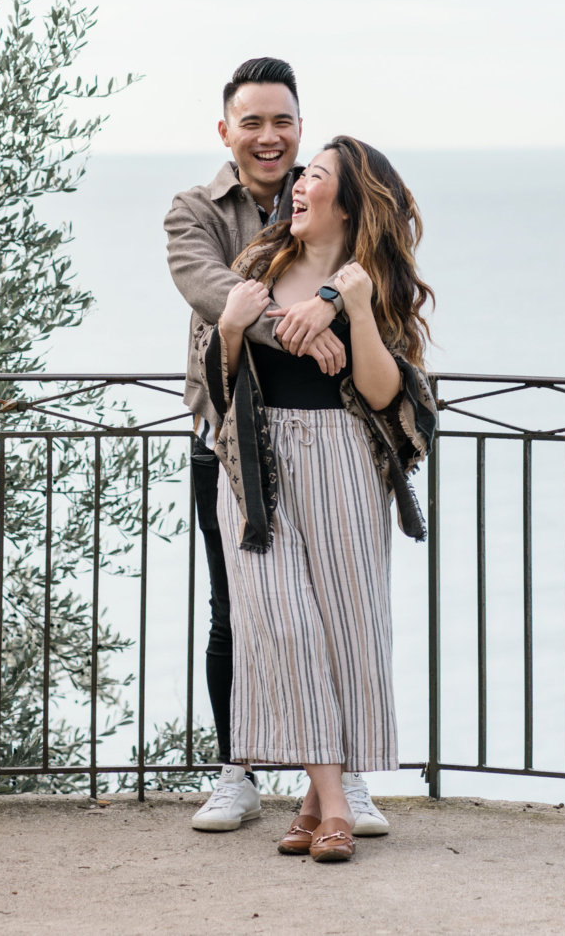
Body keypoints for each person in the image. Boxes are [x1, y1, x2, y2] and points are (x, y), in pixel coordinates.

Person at [191, 135, 436, 863]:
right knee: (286, 628)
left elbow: (386, 394)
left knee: (344, 633)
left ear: (351, 201)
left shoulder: (373, 282)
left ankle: (308, 807)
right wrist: (234, 326)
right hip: (257, 470)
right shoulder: (255, 269)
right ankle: (335, 809)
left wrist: (352, 312)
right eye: (300, 178)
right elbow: (217, 384)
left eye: (316, 177)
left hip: (342, 464)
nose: (298, 185)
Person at [164, 60, 389, 836]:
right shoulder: (193, 210)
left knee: (336, 610)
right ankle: (238, 768)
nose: (269, 137)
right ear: (224, 131)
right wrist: (300, 332)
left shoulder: (327, 196)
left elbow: (374, 272)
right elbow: (212, 289)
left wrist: (329, 304)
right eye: (251, 122)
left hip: (328, 449)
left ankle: (341, 782)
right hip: (228, 442)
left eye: (282, 121)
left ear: (299, 125)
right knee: (238, 613)